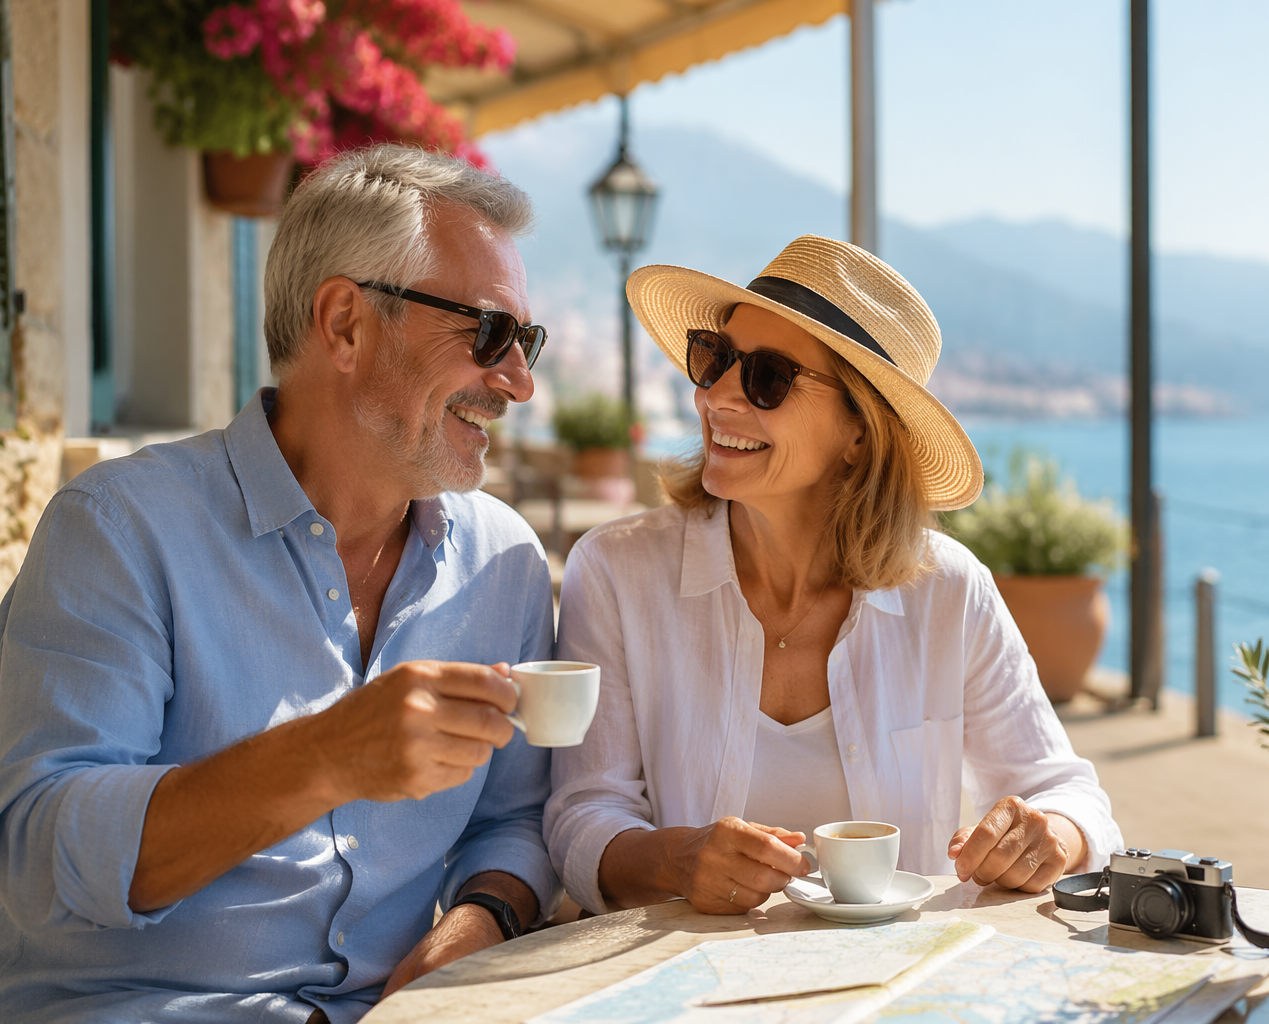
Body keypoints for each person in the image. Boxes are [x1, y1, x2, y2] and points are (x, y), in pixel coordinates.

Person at [0, 145, 560, 1022]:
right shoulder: (118, 529)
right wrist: (326, 756)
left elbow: (515, 821)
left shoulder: (506, 565)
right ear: (343, 323)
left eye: (526, 342)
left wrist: (476, 927)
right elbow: (35, 855)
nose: (519, 381)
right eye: (489, 334)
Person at [546, 235, 1122, 916]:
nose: (718, 396)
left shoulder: (949, 590)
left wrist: (1047, 835)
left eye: (766, 377)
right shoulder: (617, 571)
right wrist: (678, 860)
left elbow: (1069, 794)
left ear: (859, 431)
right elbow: (580, 814)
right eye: (715, 359)